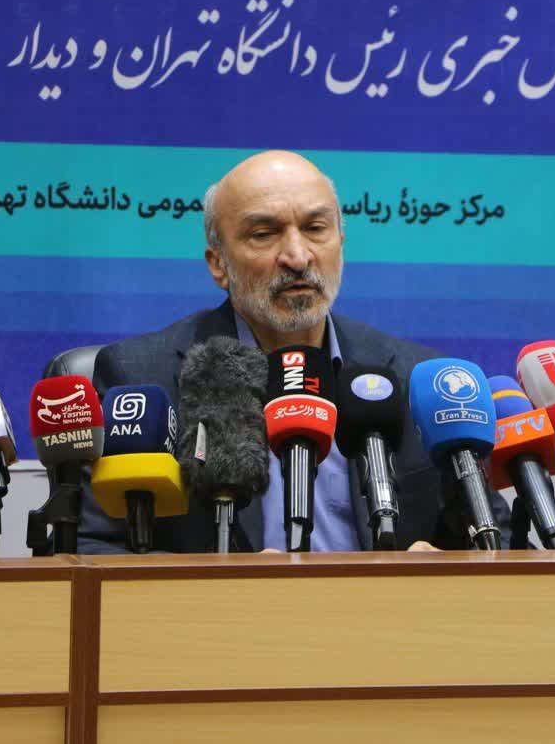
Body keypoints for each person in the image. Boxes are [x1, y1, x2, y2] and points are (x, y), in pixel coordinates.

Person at [77, 150, 510, 553]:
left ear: (340, 241)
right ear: (218, 264)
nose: (298, 257)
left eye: (316, 228)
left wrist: (447, 569)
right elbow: (93, 547)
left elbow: (496, 536)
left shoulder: (417, 379)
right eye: (263, 234)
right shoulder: (141, 377)